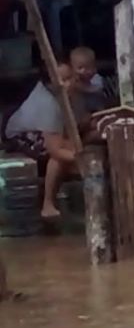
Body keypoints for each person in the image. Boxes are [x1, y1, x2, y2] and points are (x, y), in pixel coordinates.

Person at [4, 61, 78, 220]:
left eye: (71, 78)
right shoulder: (48, 105)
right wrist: (80, 159)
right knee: (58, 159)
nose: (70, 83)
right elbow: (55, 150)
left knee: (71, 148)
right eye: (64, 80)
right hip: (20, 135)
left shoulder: (59, 94)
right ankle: (48, 204)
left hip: (43, 129)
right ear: (50, 83)